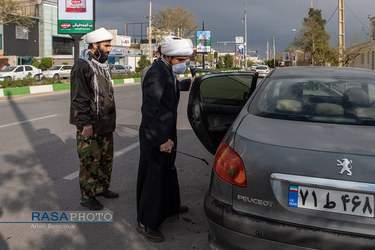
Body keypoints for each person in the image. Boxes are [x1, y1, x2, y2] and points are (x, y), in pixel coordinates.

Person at [136, 36, 193, 242]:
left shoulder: (166, 70)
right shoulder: (156, 73)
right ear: (167, 56)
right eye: (180, 60)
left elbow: (172, 88)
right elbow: (150, 110)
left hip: (166, 131)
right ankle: (146, 223)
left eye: (185, 59)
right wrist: (161, 139)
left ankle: (170, 207)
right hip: (156, 135)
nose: (183, 63)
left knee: (168, 171)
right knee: (154, 178)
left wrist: (188, 83)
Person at [70, 27, 118, 211]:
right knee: (90, 160)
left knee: (106, 159)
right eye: (106, 46)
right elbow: (79, 98)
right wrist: (85, 124)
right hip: (90, 125)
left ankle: (102, 188)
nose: (109, 49)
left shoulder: (103, 65)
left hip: (105, 123)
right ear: (94, 45)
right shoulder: (82, 66)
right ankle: (87, 196)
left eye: (109, 46)